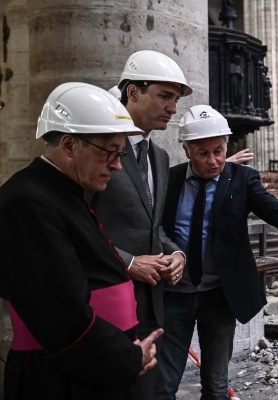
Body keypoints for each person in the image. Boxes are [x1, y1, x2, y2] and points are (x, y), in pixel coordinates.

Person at [156, 105, 278, 400]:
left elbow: (275, 209)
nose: (214, 160)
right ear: (186, 150)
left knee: (217, 386)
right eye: (203, 153)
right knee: (163, 384)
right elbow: (155, 227)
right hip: (174, 295)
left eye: (218, 151)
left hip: (220, 295)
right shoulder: (171, 180)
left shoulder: (242, 179)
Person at [0, 82, 163, 399]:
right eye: (110, 153)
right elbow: (61, 315)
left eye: (119, 153)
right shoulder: (26, 202)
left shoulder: (61, 193)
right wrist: (127, 358)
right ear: (70, 145)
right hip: (61, 380)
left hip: (86, 373)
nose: (117, 165)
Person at [88, 50, 190, 400]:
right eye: (164, 96)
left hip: (150, 305)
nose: (173, 108)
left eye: (175, 99)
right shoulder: (99, 149)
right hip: (104, 303)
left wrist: (176, 253)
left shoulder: (159, 157)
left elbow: (154, 227)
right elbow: (76, 227)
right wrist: (128, 262)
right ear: (132, 92)